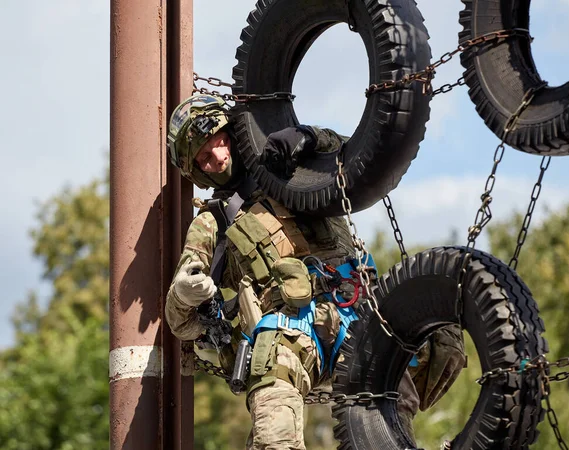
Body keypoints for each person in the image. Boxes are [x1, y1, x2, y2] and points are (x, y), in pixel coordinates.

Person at [165, 94, 465, 449]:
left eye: (220, 141)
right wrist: (185, 292)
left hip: (358, 312)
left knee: (442, 334)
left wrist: (308, 137)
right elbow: (179, 319)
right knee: (273, 432)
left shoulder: (295, 166)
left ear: (233, 131)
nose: (219, 157)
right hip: (287, 334)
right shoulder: (214, 221)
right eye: (205, 158)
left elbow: (355, 159)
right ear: (196, 170)